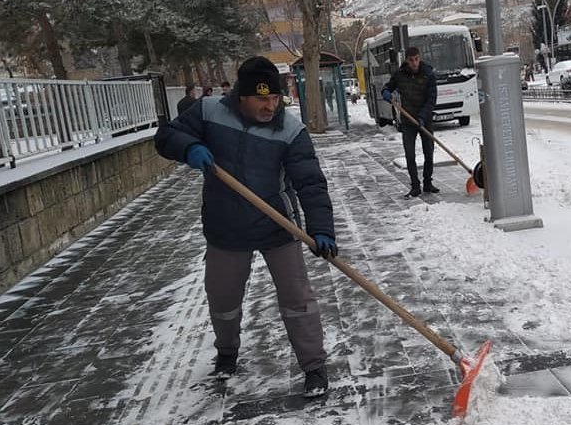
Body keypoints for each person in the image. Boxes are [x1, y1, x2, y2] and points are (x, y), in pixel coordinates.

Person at [154, 56, 336, 398]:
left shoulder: (291, 130)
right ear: (242, 96)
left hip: (277, 226)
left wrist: (322, 228)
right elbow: (167, 136)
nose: (270, 106)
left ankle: (314, 367)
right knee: (222, 300)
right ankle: (227, 352)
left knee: (298, 300)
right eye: (261, 99)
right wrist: (189, 147)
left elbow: (310, 182)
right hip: (226, 227)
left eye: (274, 99)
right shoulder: (209, 111)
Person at [381, 46, 438, 198]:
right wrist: (386, 92)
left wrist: (422, 117)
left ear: (420, 58)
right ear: (407, 60)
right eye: (411, 60)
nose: (414, 63)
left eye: (417, 59)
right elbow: (387, 87)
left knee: (429, 152)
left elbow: (431, 100)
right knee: (410, 154)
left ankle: (428, 183)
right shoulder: (400, 75)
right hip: (408, 121)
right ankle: (415, 186)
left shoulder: (428, 74)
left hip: (425, 119)